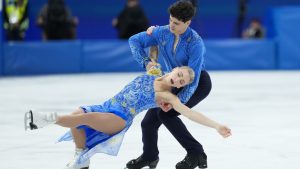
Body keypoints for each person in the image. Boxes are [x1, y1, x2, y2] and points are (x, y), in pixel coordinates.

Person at [25, 47, 231, 169]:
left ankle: (44, 119)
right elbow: (152, 49)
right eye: (179, 74)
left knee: (83, 119)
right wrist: (152, 34)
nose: (178, 79)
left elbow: (189, 113)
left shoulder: (165, 96)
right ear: (175, 69)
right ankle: (81, 157)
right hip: (106, 105)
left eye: (181, 82)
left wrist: (216, 126)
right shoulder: (155, 70)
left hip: (119, 117)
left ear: (180, 87)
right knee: (79, 113)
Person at [126, 1, 213, 169]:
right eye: (171, 20)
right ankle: (149, 156)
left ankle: (196, 153)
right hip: (173, 82)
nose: (171, 25)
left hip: (198, 83)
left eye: (177, 23)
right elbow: (133, 40)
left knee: (167, 115)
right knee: (148, 123)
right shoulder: (162, 32)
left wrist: (175, 102)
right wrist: (146, 62)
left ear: (188, 23)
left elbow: (192, 81)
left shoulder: (195, 43)